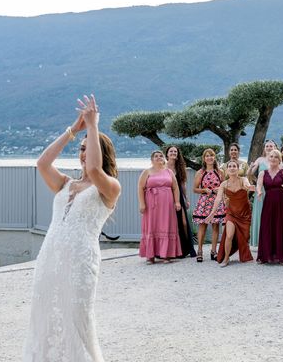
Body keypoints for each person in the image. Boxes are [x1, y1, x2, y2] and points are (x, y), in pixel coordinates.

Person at [25, 95, 121, 362]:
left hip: (80, 261)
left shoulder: (110, 187)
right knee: (45, 315)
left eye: (86, 147)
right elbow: (42, 163)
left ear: (102, 153)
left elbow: (93, 167)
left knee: (76, 318)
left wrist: (93, 126)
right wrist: (72, 130)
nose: (82, 153)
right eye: (79, 148)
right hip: (50, 258)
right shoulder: (65, 183)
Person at [205, 159, 253, 266]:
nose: (232, 168)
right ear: (227, 170)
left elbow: (247, 184)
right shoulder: (224, 184)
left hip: (244, 214)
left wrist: (249, 187)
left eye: (234, 166)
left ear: (238, 169)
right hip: (231, 213)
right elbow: (218, 199)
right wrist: (212, 213)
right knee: (229, 235)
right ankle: (226, 258)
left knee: (245, 237)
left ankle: (243, 253)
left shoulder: (243, 180)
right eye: (230, 166)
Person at [138, 150, 183, 264]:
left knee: (167, 226)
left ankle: (166, 255)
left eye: (160, 156)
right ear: (152, 160)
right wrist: (142, 203)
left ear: (164, 158)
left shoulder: (169, 172)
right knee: (151, 226)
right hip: (151, 205)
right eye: (156, 156)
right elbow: (140, 188)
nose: (158, 158)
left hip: (167, 204)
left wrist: (177, 202)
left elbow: (175, 187)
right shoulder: (147, 172)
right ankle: (150, 256)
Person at [256, 149, 283, 264]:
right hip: (269, 202)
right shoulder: (262, 173)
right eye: (271, 156)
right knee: (268, 226)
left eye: (276, 157)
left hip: (282, 202)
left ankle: (281, 255)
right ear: (268, 158)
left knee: (281, 226)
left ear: (279, 160)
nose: (273, 158)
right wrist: (259, 192)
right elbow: (259, 185)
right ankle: (267, 254)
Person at [192, 148, 225, 262]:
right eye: (207, 156)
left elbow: (224, 186)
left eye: (211, 155)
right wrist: (205, 190)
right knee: (203, 225)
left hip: (216, 201)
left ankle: (213, 251)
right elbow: (195, 189)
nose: (209, 157)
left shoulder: (220, 172)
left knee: (216, 226)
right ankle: (200, 251)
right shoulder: (200, 172)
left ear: (214, 158)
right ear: (204, 158)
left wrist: (219, 189)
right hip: (204, 202)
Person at [165, 145, 196, 258]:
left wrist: (186, 199)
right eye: (171, 151)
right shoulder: (163, 167)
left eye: (175, 151)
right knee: (171, 224)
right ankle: (172, 250)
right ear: (167, 154)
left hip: (179, 198)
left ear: (177, 154)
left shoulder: (180, 167)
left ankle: (188, 249)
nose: (173, 153)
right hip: (166, 197)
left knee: (183, 222)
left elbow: (183, 184)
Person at [248, 140, 280, 247]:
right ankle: (259, 241)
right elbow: (251, 174)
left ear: (275, 147)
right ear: (264, 148)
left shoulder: (278, 160)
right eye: (267, 146)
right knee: (260, 214)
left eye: (271, 145)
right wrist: (253, 175)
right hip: (262, 190)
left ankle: (273, 241)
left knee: (273, 215)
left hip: (274, 190)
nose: (269, 147)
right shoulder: (260, 159)